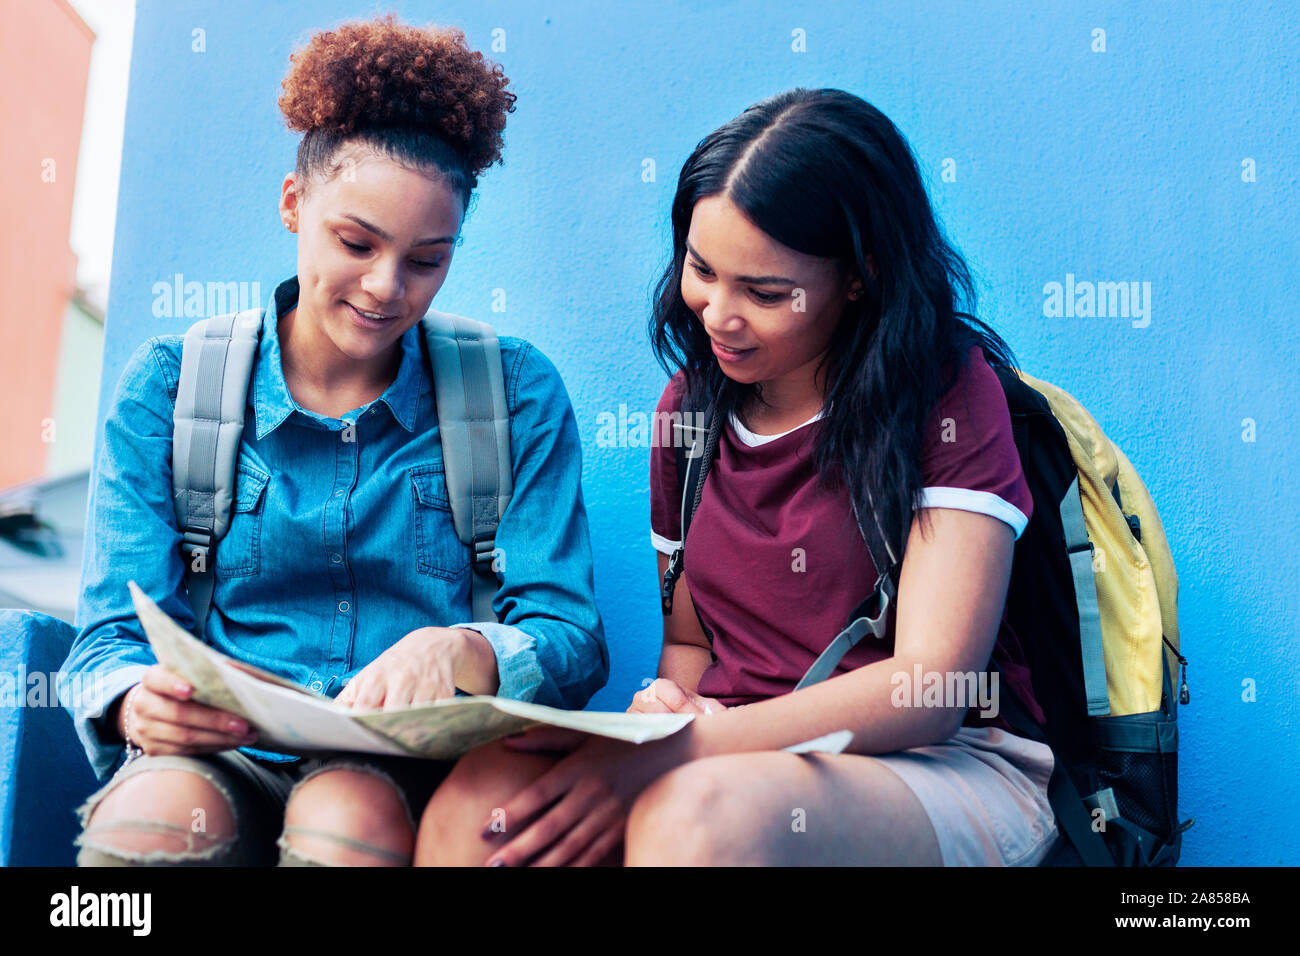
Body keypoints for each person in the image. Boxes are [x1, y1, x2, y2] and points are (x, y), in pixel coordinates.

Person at [413, 87, 1060, 867]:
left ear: (860, 277)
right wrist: (671, 707)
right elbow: (688, 637)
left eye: (762, 292)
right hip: (730, 748)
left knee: (697, 815)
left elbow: (933, 686)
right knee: (482, 803)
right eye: (701, 269)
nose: (718, 313)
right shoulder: (690, 409)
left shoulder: (947, 395)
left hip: (939, 764)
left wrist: (696, 745)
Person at [59, 14, 607, 867]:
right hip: (220, 753)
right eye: (356, 243)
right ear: (293, 205)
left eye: (428, 260)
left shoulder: (514, 393)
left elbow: (571, 638)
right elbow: (108, 637)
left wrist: (465, 649)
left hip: (400, 768)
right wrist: (135, 702)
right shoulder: (170, 388)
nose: (387, 287)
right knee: (148, 828)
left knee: (344, 822)